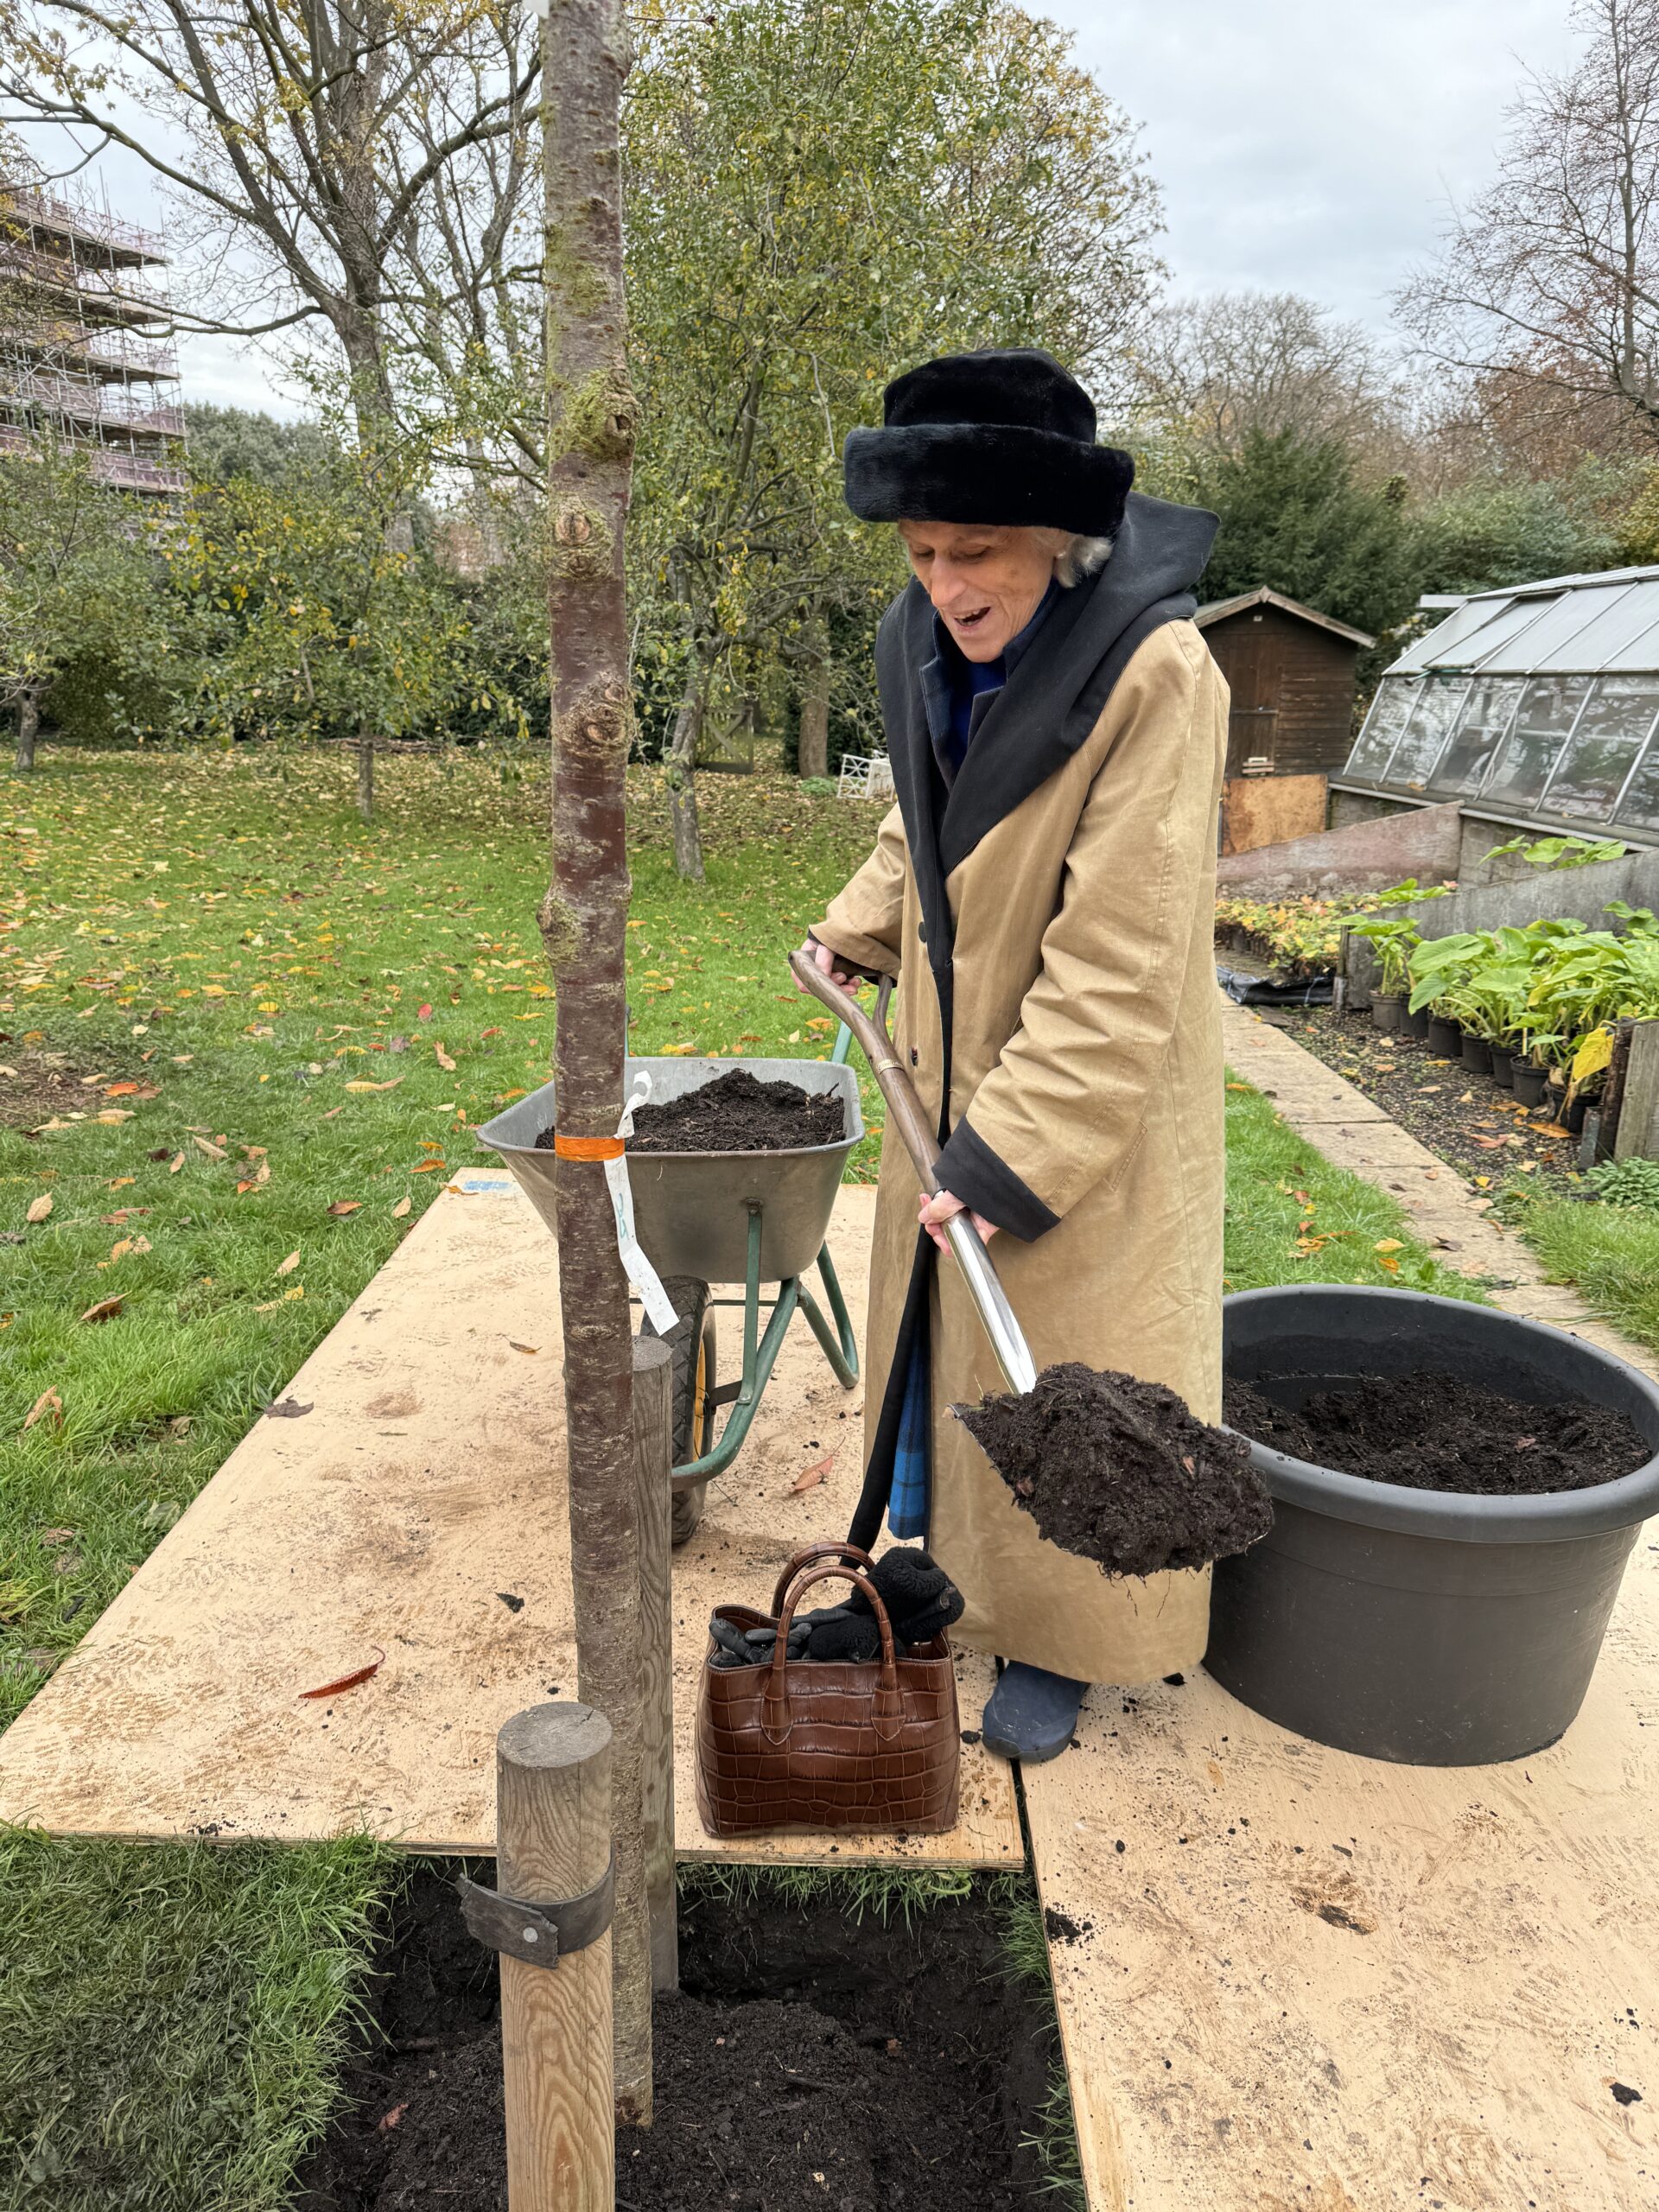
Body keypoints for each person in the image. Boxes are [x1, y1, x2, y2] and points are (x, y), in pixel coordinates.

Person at [802, 346, 1228, 1763]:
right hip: (946, 1050)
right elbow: (917, 819)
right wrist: (861, 928)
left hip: (1080, 1093)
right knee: (952, 1355)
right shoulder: (924, 637)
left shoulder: (1158, 672)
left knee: (1072, 1366)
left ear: (1061, 541)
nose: (948, 585)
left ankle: (1068, 1637)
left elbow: (1121, 962)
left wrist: (1016, 1155)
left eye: (977, 552)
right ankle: (961, 1581)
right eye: (923, 552)